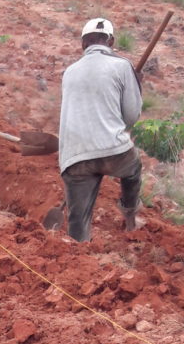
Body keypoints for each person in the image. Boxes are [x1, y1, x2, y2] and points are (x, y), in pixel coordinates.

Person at [57, 17, 144, 242]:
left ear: (83, 44)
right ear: (111, 41)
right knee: (133, 169)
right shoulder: (122, 66)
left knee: (78, 219)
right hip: (114, 152)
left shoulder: (69, 71)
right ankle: (130, 213)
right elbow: (131, 117)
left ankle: (79, 250)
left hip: (74, 156)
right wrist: (137, 86)